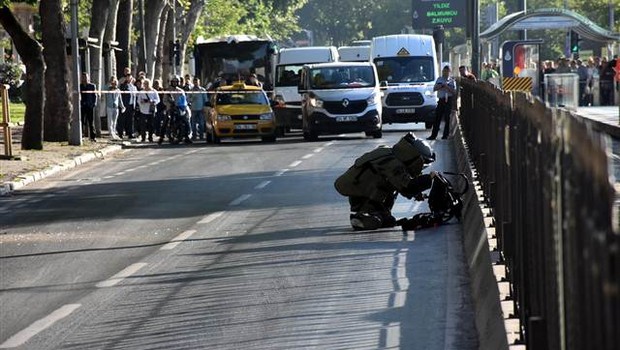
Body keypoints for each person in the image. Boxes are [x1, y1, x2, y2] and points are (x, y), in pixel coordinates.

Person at [334, 132, 437, 231]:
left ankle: (371, 213)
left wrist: (418, 194)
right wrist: (429, 178)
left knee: (389, 221)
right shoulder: (393, 164)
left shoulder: (392, 153)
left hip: (364, 190)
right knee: (379, 221)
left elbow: (401, 184)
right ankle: (362, 218)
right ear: (415, 158)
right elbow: (407, 187)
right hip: (363, 194)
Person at [159, 75, 191, 144]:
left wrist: (185, 105)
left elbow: (184, 100)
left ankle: (186, 136)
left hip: (179, 108)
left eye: (176, 82)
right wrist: (169, 104)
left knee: (185, 121)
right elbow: (164, 100)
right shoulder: (168, 91)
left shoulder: (181, 91)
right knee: (165, 121)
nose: (175, 83)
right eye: (173, 82)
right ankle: (161, 137)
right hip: (170, 108)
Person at [428, 65, 456, 140]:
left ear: (450, 72)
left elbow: (454, 92)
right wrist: (441, 86)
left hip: (448, 100)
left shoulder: (452, 81)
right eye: (444, 71)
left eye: (447, 71)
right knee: (437, 118)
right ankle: (433, 135)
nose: (445, 73)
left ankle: (445, 135)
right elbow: (434, 88)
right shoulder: (439, 79)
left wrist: (447, 87)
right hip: (441, 100)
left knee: (447, 118)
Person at [118, 70, 137, 139]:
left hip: (132, 105)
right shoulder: (123, 86)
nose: (129, 79)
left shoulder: (134, 87)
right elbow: (121, 91)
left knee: (130, 120)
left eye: (130, 78)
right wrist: (125, 82)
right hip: (125, 105)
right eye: (128, 77)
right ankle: (120, 133)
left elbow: (135, 96)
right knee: (122, 119)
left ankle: (130, 133)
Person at [105, 76, 125, 141]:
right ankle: (111, 133)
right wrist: (110, 81)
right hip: (109, 106)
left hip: (115, 107)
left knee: (115, 121)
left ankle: (114, 132)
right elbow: (104, 87)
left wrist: (122, 106)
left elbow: (119, 99)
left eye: (116, 83)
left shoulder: (118, 90)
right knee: (110, 120)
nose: (115, 85)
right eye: (114, 83)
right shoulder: (108, 89)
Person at [79, 72, 98, 142]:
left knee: (91, 122)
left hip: (90, 106)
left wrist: (93, 104)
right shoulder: (80, 86)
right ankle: (81, 135)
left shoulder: (92, 86)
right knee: (82, 121)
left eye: (86, 77)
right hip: (82, 106)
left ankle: (93, 137)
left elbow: (94, 96)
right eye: (83, 77)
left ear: (88, 78)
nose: (84, 79)